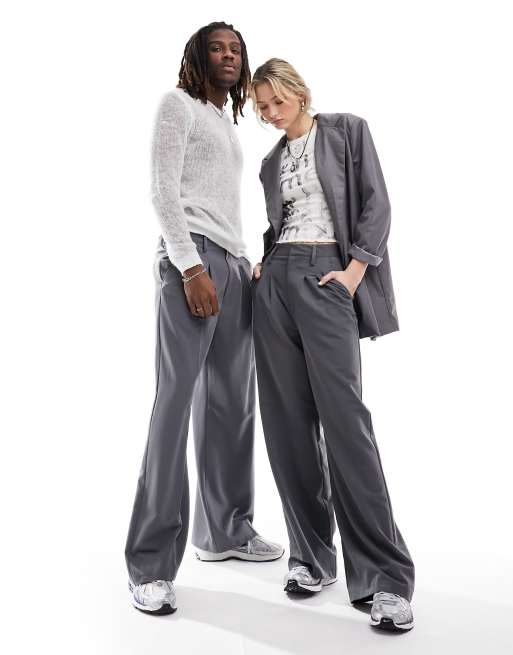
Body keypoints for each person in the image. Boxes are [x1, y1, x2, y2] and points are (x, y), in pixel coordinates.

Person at [248, 58, 415, 631]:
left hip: (328, 278)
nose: (271, 113)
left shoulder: (347, 131)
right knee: (286, 425)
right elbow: (280, 223)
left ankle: (386, 579)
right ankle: (311, 557)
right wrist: (263, 264)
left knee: (346, 423)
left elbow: (376, 204)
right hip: (275, 283)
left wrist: (354, 271)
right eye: (261, 107)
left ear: (298, 92)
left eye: (278, 101)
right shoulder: (270, 163)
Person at [125, 25, 284, 616]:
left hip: (233, 264)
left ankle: (225, 530)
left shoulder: (224, 119)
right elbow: (162, 190)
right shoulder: (178, 105)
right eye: (217, 48)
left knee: (231, 402)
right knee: (174, 404)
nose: (228, 56)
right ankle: (150, 564)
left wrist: (242, 261)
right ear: (197, 55)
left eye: (235, 49)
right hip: (191, 259)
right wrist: (191, 266)